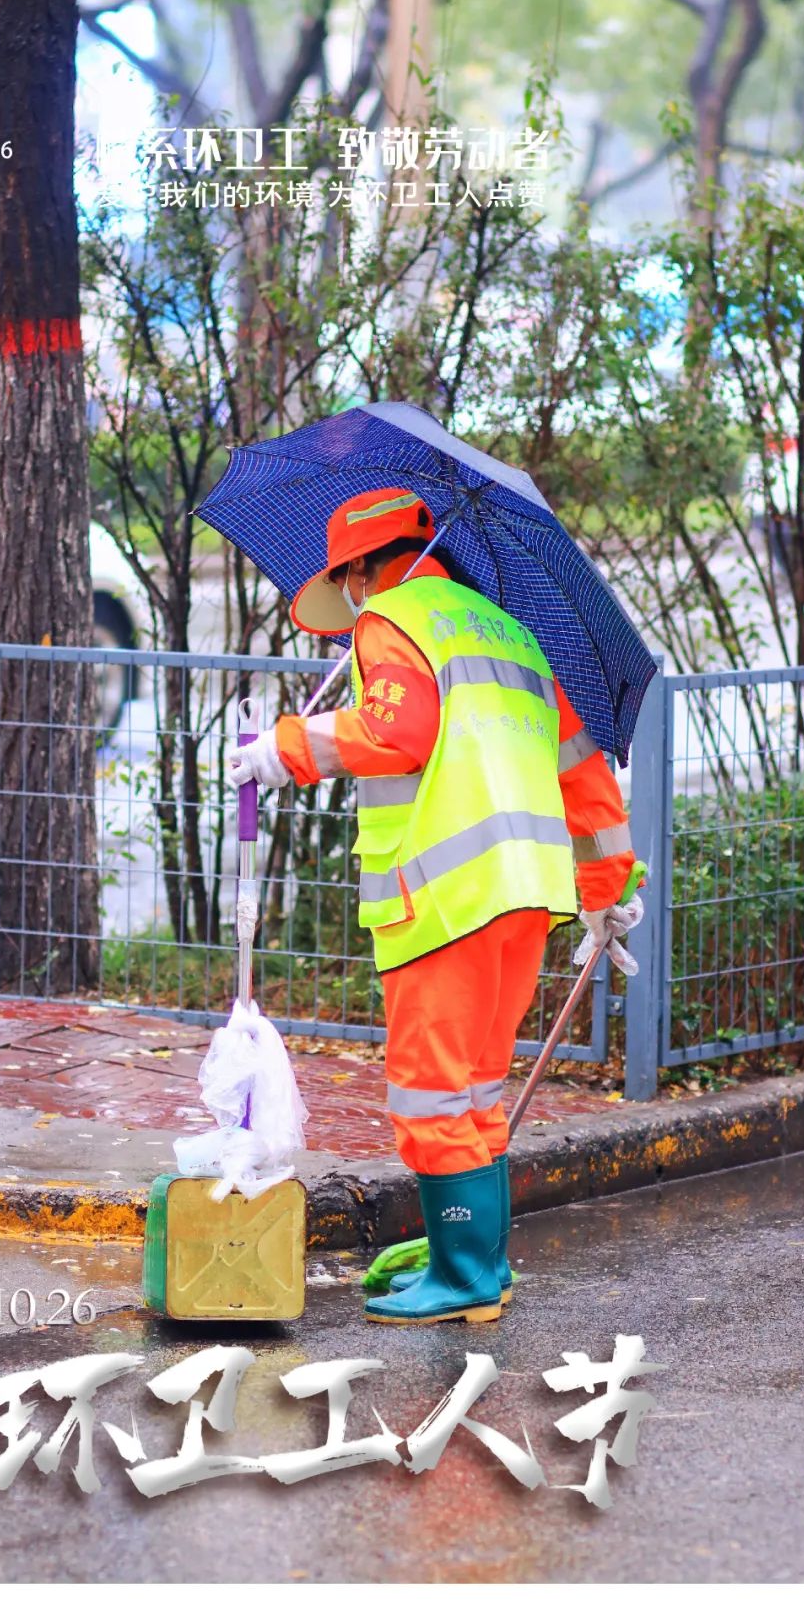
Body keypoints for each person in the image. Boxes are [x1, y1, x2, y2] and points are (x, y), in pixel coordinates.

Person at [225, 487, 643, 1325]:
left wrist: (285, 747)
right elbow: (586, 779)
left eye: (344, 583)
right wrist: (607, 893)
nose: (347, 603)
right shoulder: (513, 637)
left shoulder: (393, 619)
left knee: (429, 1090)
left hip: (444, 899)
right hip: (525, 898)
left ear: (356, 570)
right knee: (476, 1091)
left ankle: (462, 1277)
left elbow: (398, 735)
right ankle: (481, 1263)